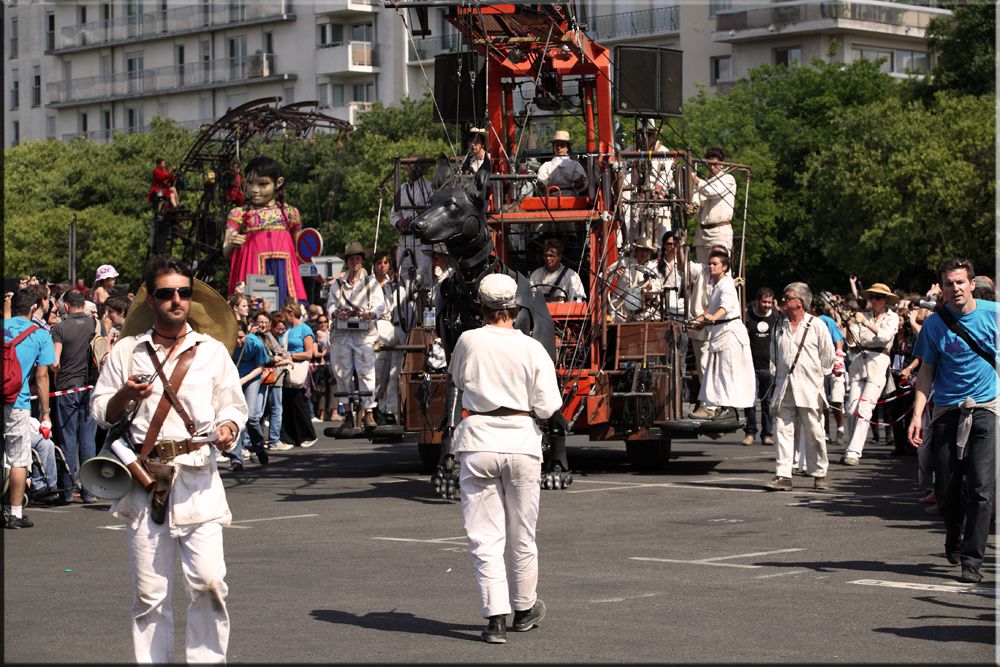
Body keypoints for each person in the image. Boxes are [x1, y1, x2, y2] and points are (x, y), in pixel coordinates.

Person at [90, 255, 248, 662]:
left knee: (210, 585)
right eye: (166, 293)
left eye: (184, 292)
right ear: (151, 300)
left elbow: (233, 405)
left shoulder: (211, 351)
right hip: (146, 482)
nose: (176, 300)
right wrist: (126, 394)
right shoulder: (126, 351)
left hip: (199, 483)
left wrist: (228, 428)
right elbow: (100, 410)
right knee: (150, 596)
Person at [448, 273, 562, 644]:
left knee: (485, 537)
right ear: (515, 308)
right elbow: (547, 406)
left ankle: (496, 618)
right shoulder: (532, 348)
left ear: (481, 307)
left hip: (479, 440)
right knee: (522, 535)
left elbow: (458, 381)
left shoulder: (468, 340)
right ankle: (524, 608)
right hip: (521, 442)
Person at [908, 259, 998, 585]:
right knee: (945, 489)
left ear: (972, 284)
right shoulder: (934, 325)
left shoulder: (994, 315)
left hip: (987, 408)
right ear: (941, 289)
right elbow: (926, 372)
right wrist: (918, 415)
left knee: (982, 488)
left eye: (960, 282)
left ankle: (972, 560)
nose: (955, 288)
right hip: (947, 410)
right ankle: (953, 534)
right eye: (948, 283)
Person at [765, 282, 835, 491]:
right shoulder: (779, 326)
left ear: (801, 302)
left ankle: (819, 473)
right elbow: (773, 356)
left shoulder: (817, 325)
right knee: (782, 431)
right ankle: (783, 475)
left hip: (809, 387)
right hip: (784, 386)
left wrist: (815, 378)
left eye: (788, 297)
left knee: (814, 431)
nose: (783, 300)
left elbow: (828, 358)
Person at [223, 156, 308, 306]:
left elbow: (301, 252)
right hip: (252, 272)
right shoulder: (238, 213)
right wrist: (232, 244)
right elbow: (225, 251)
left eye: (262, 184)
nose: (255, 190)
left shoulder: (290, 213)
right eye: (250, 183)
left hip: (285, 273)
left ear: (278, 183)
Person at [3, 287, 55, 529]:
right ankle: (15, 513)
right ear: (33, 308)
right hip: (18, 401)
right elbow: (43, 376)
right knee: (18, 458)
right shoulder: (40, 335)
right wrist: (45, 413)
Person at [688, 249, 755, 423]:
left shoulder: (726, 284)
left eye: (714, 263)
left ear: (724, 267)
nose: (710, 266)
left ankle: (730, 409)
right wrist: (696, 322)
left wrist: (712, 317)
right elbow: (708, 311)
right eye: (709, 263)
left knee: (727, 371)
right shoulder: (714, 285)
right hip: (718, 332)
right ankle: (714, 406)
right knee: (715, 372)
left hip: (729, 332)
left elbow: (724, 308)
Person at [326, 242, 385, 432]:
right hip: (342, 334)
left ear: (362, 260)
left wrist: (370, 314)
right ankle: (348, 414)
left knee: (366, 371)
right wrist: (337, 314)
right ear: (347, 261)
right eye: (351, 258)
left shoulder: (371, 283)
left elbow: (380, 306)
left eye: (357, 258)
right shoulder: (338, 284)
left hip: (364, 334)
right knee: (342, 372)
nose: (355, 262)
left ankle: (368, 413)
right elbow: (330, 306)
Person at [50, 289, 100, 504]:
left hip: (67, 388)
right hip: (90, 388)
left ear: (68, 306)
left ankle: (68, 491)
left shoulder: (60, 328)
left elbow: (55, 362)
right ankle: (89, 492)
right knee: (88, 440)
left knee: (68, 439)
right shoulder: (94, 325)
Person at [840, 282, 899, 465]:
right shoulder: (862, 315)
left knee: (865, 409)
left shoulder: (892, 317)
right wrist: (849, 325)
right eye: (872, 297)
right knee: (851, 410)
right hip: (858, 362)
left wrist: (865, 323)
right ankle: (850, 446)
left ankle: (853, 452)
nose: (874, 300)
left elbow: (884, 337)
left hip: (879, 362)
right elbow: (852, 342)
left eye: (878, 297)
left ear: (886, 300)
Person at [229, 321, 270, 469]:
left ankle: (259, 448)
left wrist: (243, 380)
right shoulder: (227, 343)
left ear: (247, 334)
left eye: (241, 337)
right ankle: (236, 459)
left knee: (251, 417)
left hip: (251, 378)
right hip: (233, 379)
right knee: (236, 416)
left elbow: (260, 368)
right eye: (236, 337)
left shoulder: (255, 344)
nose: (238, 341)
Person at [278, 303, 318, 448]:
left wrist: (292, 355)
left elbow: (309, 353)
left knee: (298, 402)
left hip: (298, 367)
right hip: (287, 367)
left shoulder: (305, 329)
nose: (284, 317)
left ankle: (308, 434)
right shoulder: (288, 330)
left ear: (291, 313)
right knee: (288, 403)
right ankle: (291, 436)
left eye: (286, 314)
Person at [742, 287, 779, 446]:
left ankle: (767, 434)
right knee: (750, 401)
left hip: (769, 367)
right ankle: (750, 433)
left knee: (768, 402)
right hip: (750, 366)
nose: (766, 305)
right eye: (764, 301)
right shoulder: (748, 317)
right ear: (758, 301)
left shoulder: (776, 318)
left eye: (769, 302)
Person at [391, 161, 434, 291]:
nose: (414, 169)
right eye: (411, 166)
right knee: (403, 275)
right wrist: (399, 222)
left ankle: (426, 307)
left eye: (417, 167)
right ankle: (407, 306)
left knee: (424, 275)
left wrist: (423, 213)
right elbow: (394, 214)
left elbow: (433, 211)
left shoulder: (428, 187)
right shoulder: (402, 189)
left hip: (422, 239)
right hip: (405, 238)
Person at [690, 146, 736, 264]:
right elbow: (697, 202)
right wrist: (692, 209)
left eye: (715, 164)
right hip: (702, 233)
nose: (712, 167)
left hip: (719, 232)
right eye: (709, 164)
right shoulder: (704, 182)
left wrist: (696, 180)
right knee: (703, 272)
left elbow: (713, 192)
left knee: (719, 269)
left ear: (721, 164)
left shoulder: (728, 179)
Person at [372, 251, 403, 425]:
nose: (382, 266)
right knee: (377, 370)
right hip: (377, 329)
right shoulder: (369, 285)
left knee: (394, 372)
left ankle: (388, 408)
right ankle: (374, 406)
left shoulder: (394, 286)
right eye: (379, 263)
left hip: (392, 328)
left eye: (385, 263)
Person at [607, 238, 662, 322]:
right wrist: (613, 273)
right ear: (636, 250)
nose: (643, 253)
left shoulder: (652, 268)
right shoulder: (624, 263)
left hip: (642, 315)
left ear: (650, 252)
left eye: (646, 251)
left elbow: (658, 288)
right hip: (620, 312)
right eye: (641, 250)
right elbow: (603, 277)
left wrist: (649, 286)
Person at [528, 239, 586, 303]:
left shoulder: (572, 275)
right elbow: (530, 297)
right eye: (546, 255)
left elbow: (577, 300)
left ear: (559, 257)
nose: (548, 258)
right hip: (540, 311)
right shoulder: (536, 274)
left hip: (564, 311)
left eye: (551, 256)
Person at [535, 130, 588, 196]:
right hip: (550, 200)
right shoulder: (546, 166)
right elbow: (541, 181)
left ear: (567, 148)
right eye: (556, 145)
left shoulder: (575, 165)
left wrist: (579, 183)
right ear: (553, 147)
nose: (559, 147)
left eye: (562, 145)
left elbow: (582, 184)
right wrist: (541, 185)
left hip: (571, 200)